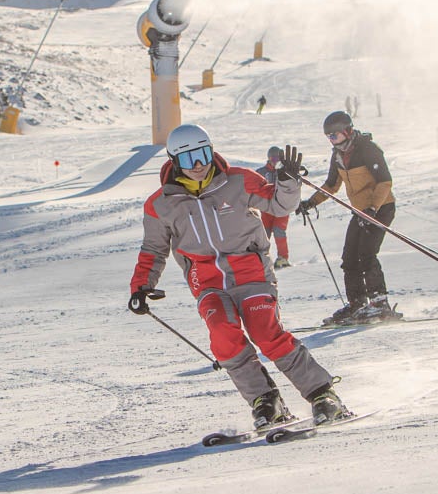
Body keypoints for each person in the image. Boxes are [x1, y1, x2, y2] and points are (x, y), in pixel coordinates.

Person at [128, 124, 351, 429]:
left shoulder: (239, 180)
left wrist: (287, 183)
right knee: (223, 333)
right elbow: (154, 249)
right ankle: (265, 401)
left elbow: (280, 204)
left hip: (252, 274)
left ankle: (323, 394)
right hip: (206, 283)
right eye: (189, 158)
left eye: (203, 153)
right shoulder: (160, 204)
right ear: (173, 161)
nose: (198, 164)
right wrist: (141, 286)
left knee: (265, 331)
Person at [296, 111, 398, 325]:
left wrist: (372, 209)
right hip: (360, 211)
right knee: (349, 258)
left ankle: (380, 303)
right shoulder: (338, 156)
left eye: (334, 136)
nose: (332, 141)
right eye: (329, 137)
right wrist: (311, 202)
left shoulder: (368, 149)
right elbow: (332, 185)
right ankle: (358, 304)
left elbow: (385, 182)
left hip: (380, 208)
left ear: (347, 131)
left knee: (366, 254)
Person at [255, 146, 292, 270]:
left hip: (282, 207)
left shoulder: (286, 171)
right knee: (264, 233)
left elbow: (292, 188)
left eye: (278, 159)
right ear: (269, 159)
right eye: (273, 159)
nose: (275, 161)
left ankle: (283, 258)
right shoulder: (261, 172)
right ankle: (261, 257)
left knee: (278, 230)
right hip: (267, 208)